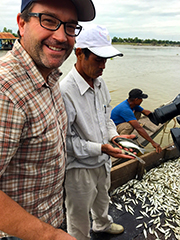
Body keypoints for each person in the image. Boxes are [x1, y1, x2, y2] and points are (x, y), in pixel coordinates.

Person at [0, 0, 95, 239]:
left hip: (50, 216)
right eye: (49, 21)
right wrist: (50, 236)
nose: (62, 36)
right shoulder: (6, 92)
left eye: (71, 26)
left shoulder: (49, 76)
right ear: (22, 24)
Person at [60, 25, 136, 240]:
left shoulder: (100, 83)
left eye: (106, 60)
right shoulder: (65, 91)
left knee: (103, 197)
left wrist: (113, 136)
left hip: (103, 159)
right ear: (79, 53)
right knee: (78, 214)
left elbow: (106, 118)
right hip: (79, 168)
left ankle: (102, 225)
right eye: (98, 59)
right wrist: (100, 147)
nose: (103, 66)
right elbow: (66, 142)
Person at [111, 88, 162, 153]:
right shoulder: (125, 109)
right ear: (136, 99)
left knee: (138, 112)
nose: (142, 100)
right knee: (130, 126)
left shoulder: (132, 104)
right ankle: (122, 140)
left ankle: (126, 133)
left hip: (120, 123)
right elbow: (138, 128)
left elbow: (146, 112)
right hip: (113, 128)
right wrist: (152, 142)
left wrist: (159, 117)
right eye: (141, 99)